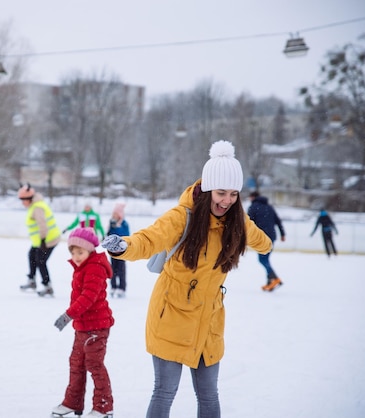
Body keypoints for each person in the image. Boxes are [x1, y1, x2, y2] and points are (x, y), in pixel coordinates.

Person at [101, 140, 272, 418]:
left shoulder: (236, 219)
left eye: (232, 194)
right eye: (220, 192)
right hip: (172, 317)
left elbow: (261, 240)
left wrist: (265, 242)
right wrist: (123, 246)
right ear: (207, 190)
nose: (226, 200)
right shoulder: (183, 217)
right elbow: (149, 239)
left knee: (208, 395)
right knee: (165, 392)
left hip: (209, 320)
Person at [51, 227, 115, 418]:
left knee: (95, 366)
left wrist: (67, 315)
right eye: (73, 252)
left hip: (97, 327)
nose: (76, 256)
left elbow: (88, 297)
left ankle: (104, 407)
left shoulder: (95, 267)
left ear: (90, 250)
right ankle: (73, 402)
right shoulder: (83, 267)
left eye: (80, 252)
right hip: (83, 327)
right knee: (76, 364)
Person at [18, 184, 61, 297]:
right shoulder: (34, 205)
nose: (22, 202)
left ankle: (47, 287)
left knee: (41, 261)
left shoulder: (37, 207)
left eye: (23, 200)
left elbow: (43, 225)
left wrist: (43, 241)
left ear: (29, 199)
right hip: (40, 241)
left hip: (48, 240)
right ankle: (31, 280)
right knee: (31, 255)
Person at [247, 191, 286, 291]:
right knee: (266, 259)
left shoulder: (253, 207)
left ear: (253, 197)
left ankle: (275, 278)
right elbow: (278, 221)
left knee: (262, 260)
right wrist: (282, 234)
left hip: (261, 237)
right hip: (271, 236)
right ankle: (270, 282)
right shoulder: (269, 207)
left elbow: (248, 223)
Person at [107, 202, 130, 298]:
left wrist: (117, 227)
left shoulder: (124, 224)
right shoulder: (111, 223)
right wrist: (111, 228)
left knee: (121, 269)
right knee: (112, 269)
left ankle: (122, 287)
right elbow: (108, 235)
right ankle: (113, 286)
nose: (114, 216)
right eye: (113, 214)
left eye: (116, 214)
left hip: (122, 251)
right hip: (112, 251)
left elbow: (126, 235)